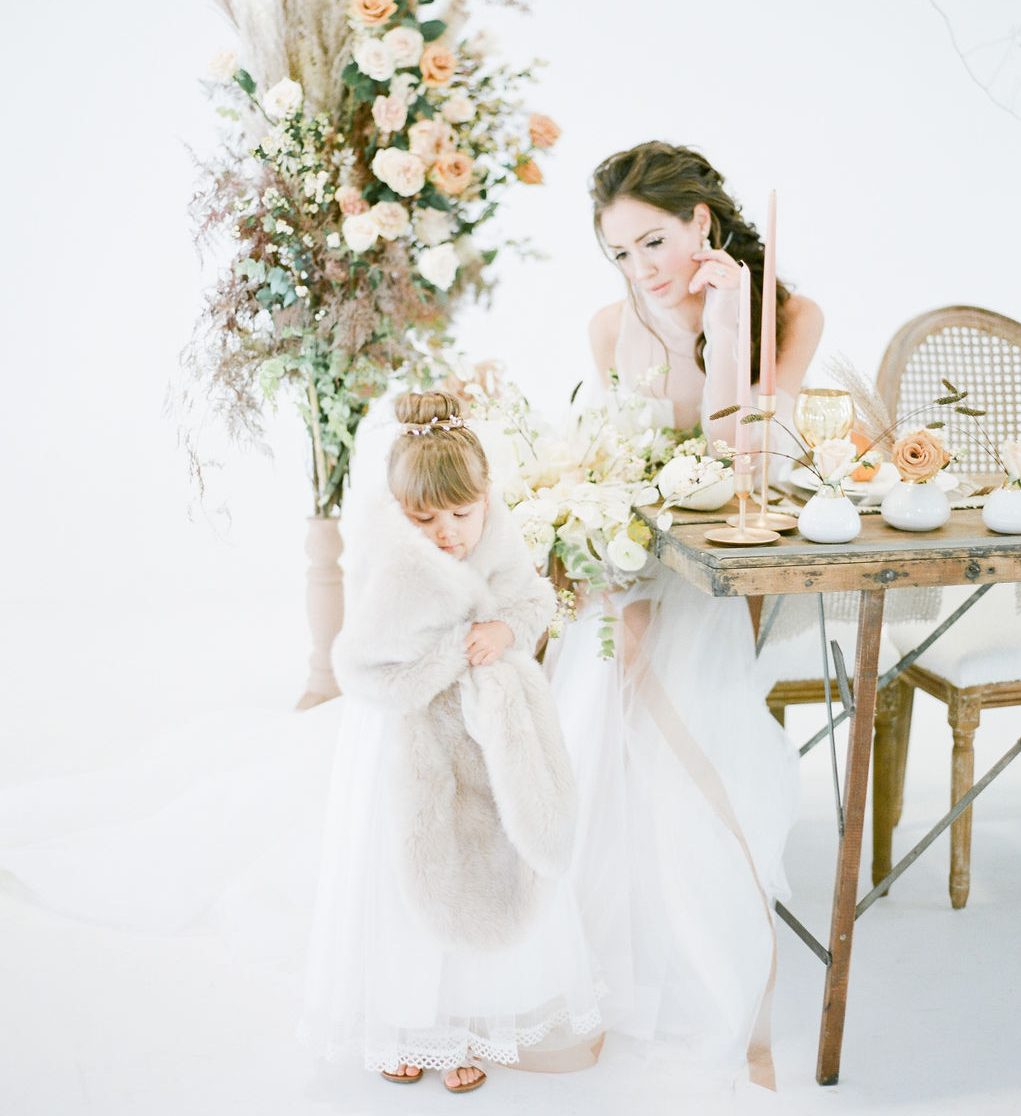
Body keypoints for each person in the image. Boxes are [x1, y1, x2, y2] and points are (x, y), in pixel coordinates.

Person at [549, 142, 823, 1090]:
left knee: (680, 688)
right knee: (606, 675)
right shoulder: (609, 327)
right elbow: (605, 467)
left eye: (654, 242)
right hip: (630, 555)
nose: (641, 269)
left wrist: (732, 319)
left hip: (727, 567)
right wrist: (601, 560)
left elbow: (749, 461)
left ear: (701, 221)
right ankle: (592, 956)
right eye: (620, 253)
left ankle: (708, 962)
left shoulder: (790, 315)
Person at [298, 391, 604, 1093]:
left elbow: (535, 599)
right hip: (406, 739)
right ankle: (401, 1026)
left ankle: (465, 1026)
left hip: (485, 735)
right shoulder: (388, 558)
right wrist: (450, 655)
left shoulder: (497, 533)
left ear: (485, 497)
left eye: (462, 515)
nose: (447, 533)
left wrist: (503, 631)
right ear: (398, 508)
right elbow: (362, 665)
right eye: (425, 518)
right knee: (407, 871)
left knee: (482, 866)